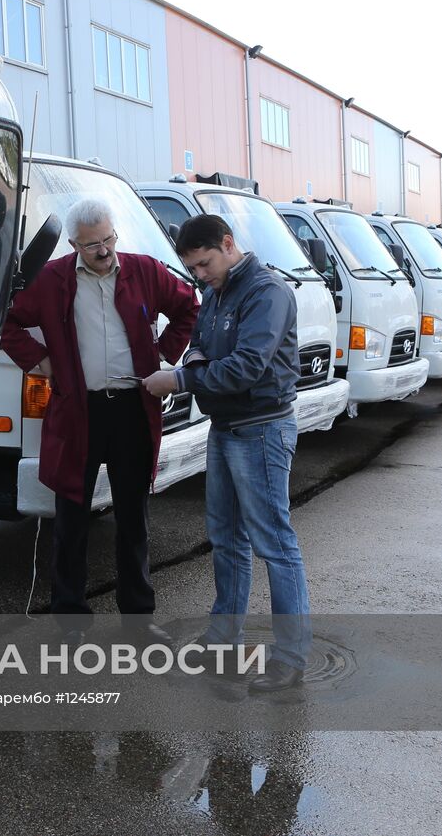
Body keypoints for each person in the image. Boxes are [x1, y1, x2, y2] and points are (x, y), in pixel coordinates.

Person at [1, 199, 198, 638]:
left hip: (132, 407)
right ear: (73, 244)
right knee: (70, 520)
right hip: (78, 412)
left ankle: (138, 619)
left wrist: (166, 353)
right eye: (93, 245)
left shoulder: (144, 270)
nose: (105, 250)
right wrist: (39, 360)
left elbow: (190, 306)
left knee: (133, 519)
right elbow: (8, 321)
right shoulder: (52, 280)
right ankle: (70, 619)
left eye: (109, 239)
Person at [142, 213, 310, 691]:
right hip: (225, 428)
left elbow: (247, 366)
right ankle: (223, 639)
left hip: (261, 430)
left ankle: (291, 658)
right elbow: (200, 348)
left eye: (204, 263)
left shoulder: (267, 293)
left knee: (274, 544)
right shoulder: (216, 293)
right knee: (226, 538)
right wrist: (192, 363)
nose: (200, 275)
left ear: (228, 244)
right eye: (193, 269)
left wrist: (178, 379)